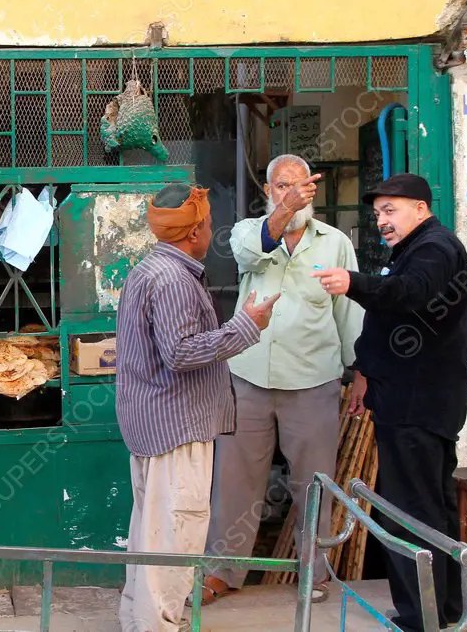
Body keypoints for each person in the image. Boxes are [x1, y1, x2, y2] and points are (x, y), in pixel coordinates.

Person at [313, 174, 467, 632]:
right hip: (411, 401)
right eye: (378, 213)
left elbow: (410, 295)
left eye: (391, 210)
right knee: (431, 508)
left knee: (412, 512)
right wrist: (366, 368)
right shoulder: (416, 249)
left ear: (421, 209)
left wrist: (352, 282)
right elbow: (393, 313)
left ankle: (421, 617)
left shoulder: (434, 249)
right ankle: (440, 610)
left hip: (417, 405)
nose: (382, 221)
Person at [115, 183, 279, 632]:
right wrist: (248, 325)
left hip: (158, 423)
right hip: (175, 426)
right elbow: (181, 352)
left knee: (153, 533)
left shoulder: (153, 269)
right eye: (207, 224)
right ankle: (158, 625)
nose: (211, 231)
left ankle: (141, 620)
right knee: (174, 533)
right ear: (194, 233)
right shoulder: (171, 279)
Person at [202, 154, 365, 604]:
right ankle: (223, 571)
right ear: (269, 191)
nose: (292, 192)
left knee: (313, 483)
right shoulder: (248, 233)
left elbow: (348, 311)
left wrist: (362, 370)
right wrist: (284, 210)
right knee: (235, 481)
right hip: (248, 376)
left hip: (313, 380)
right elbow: (250, 251)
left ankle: (315, 572)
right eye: (281, 186)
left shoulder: (333, 243)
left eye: (300, 186)